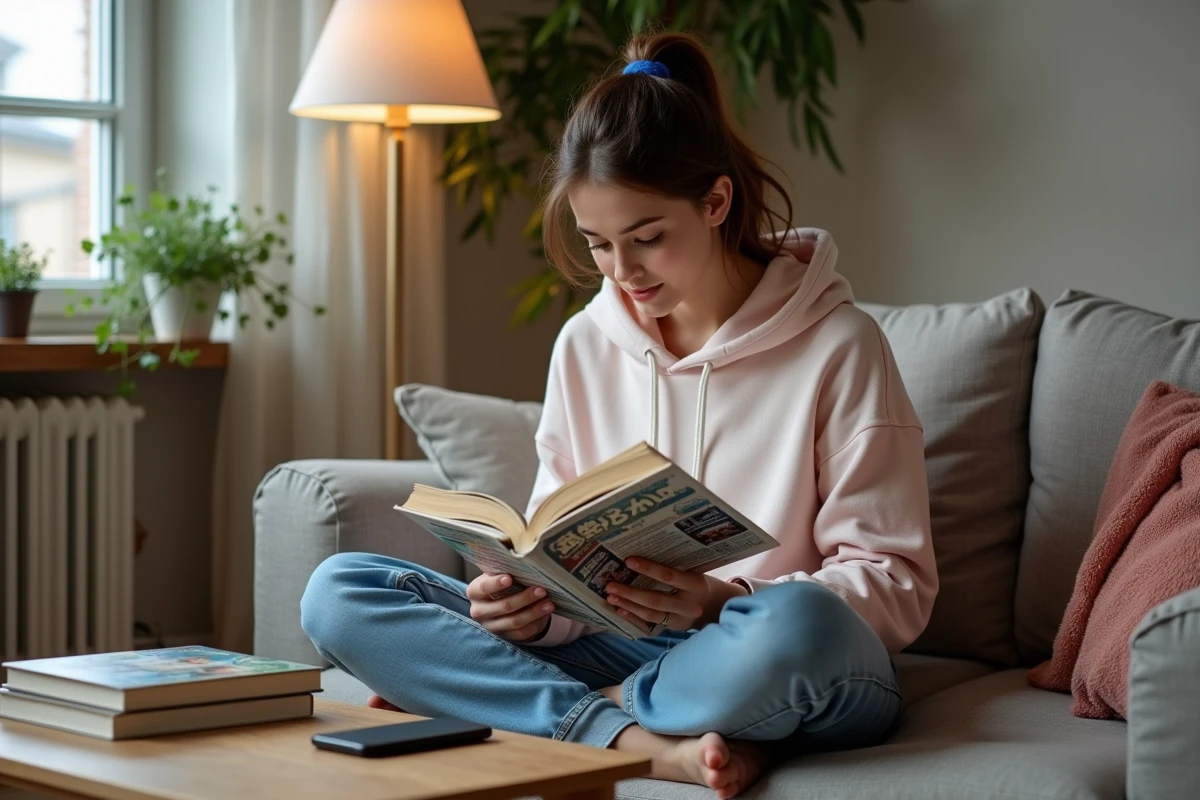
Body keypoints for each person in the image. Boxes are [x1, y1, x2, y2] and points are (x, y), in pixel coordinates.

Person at [301, 31, 937, 799]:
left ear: (716, 202)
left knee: (802, 622)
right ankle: (646, 743)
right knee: (340, 591)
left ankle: (555, 712)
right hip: (620, 647)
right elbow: (559, 550)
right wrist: (532, 611)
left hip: (769, 654)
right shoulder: (585, 343)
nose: (622, 272)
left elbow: (895, 583)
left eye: (647, 239)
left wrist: (721, 602)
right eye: (598, 244)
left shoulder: (841, 345)